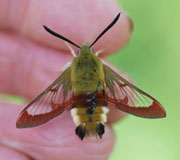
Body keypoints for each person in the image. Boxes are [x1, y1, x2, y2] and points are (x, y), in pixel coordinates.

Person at [0, 0, 133, 159]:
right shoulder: (100, 63)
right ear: (95, 53)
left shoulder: (71, 66)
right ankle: (95, 126)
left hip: (80, 105)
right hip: (97, 102)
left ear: (74, 55)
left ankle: (86, 126)